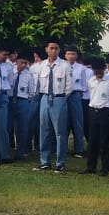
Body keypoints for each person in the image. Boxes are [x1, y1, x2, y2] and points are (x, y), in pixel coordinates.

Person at [32, 39, 72, 171]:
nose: (53, 51)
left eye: (56, 48)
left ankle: (60, 163)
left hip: (59, 98)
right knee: (44, 130)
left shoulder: (65, 65)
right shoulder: (41, 65)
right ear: (46, 49)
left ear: (59, 50)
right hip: (44, 98)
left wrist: (60, 98)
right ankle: (45, 161)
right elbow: (37, 84)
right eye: (51, 48)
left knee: (60, 133)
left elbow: (69, 86)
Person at [82, 57, 109, 175]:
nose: (97, 74)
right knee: (92, 140)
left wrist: (107, 110)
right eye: (95, 72)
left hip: (104, 111)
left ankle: (105, 167)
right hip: (92, 110)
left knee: (105, 141)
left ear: (104, 69)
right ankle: (91, 167)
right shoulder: (91, 81)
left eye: (99, 72)